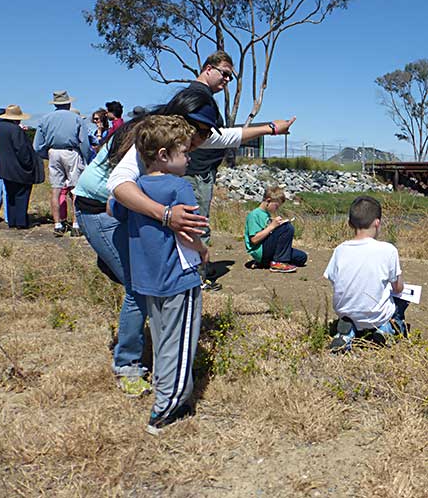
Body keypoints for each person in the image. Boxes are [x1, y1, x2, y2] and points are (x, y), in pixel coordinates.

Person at [101, 89, 294, 397]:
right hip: (96, 208)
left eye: (206, 132)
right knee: (138, 286)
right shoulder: (153, 143)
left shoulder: (181, 139)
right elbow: (116, 188)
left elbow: (230, 136)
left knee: (151, 285)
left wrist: (272, 128)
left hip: (128, 211)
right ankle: (130, 366)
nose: (202, 139)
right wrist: (167, 216)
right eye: (200, 130)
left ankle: (162, 362)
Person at [110, 115, 207, 435]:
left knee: (165, 338)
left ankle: (174, 393)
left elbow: (113, 207)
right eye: (184, 151)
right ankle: (167, 407)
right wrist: (203, 250)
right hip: (179, 276)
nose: (189, 156)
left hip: (148, 278)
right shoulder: (180, 186)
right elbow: (192, 230)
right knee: (179, 345)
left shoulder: (135, 188)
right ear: (164, 155)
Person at [325, 196, 410, 352]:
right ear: (377, 223)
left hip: (346, 311)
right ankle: (386, 330)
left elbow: (334, 281)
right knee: (401, 301)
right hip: (377, 315)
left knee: (352, 314)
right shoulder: (388, 250)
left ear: (350, 223)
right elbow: (398, 288)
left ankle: (346, 333)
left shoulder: (340, 250)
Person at [33, 90, 89, 236]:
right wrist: (85, 157)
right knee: (75, 189)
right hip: (71, 152)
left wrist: (47, 154)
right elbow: (84, 142)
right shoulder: (76, 118)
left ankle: (58, 224)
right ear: (69, 102)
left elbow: (37, 145)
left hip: (53, 152)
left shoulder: (45, 119)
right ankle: (76, 224)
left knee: (56, 189)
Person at [0, 105, 43, 229]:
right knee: (22, 195)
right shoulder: (15, 130)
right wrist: (29, 164)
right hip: (19, 168)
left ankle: (12, 220)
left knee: (10, 195)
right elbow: (21, 149)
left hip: (4, 167)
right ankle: (21, 222)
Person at [243, 186, 307, 273]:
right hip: (260, 250)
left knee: (301, 257)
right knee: (288, 228)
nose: (277, 209)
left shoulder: (266, 214)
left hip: (267, 248)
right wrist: (272, 226)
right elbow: (254, 240)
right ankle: (278, 263)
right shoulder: (254, 215)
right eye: (276, 206)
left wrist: (277, 226)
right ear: (268, 201)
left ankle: (267, 262)